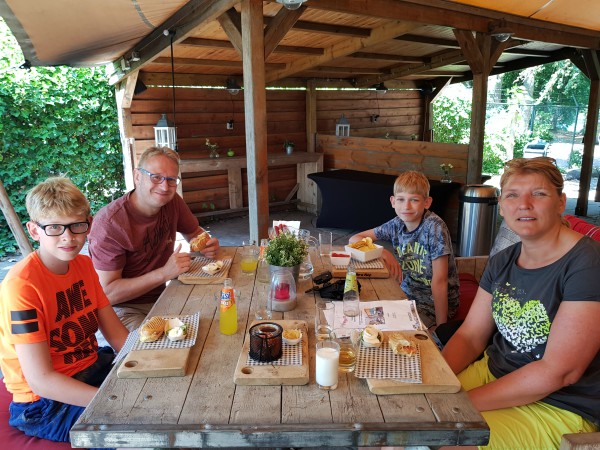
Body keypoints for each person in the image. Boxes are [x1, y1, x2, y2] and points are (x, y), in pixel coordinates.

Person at [442, 157, 600, 449]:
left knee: (446, 437)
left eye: (538, 194)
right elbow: (470, 334)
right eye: (513, 195)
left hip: (559, 405)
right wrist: (434, 381)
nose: (524, 204)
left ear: (560, 202)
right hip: (494, 373)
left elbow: (560, 371)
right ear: (502, 206)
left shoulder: (587, 263)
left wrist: (457, 406)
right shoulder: (503, 260)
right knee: (394, 418)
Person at [0, 177, 129, 446]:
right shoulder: (22, 287)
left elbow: (118, 337)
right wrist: (111, 398)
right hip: (43, 404)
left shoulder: (84, 265)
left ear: (89, 225)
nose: (68, 237)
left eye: (76, 226)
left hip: (91, 368)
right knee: (135, 422)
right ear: (35, 231)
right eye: (55, 228)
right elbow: (42, 381)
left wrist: (150, 361)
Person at [88, 146, 219, 331]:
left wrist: (207, 243)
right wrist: (165, 273)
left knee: (215, 321)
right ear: (137, 177)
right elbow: (107, 294)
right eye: (156, 177)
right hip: (124, 309)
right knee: (152, 356)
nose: (165, 187)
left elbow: (195, 234)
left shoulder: (172, 202)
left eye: (171, 180)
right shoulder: (110, 224)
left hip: (165, 295)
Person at [349, 170, 459, 330]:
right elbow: (355, 239)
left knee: (396, 333)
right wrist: (382, 252)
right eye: (401, 199)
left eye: (414, 200)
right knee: (364, 319)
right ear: (393, 201)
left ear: (427, 202)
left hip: (433, 303)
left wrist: (442, 329)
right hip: (406, 293)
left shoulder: (434, 227)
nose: (406, 206)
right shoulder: (396, 224)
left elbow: (440, 280)